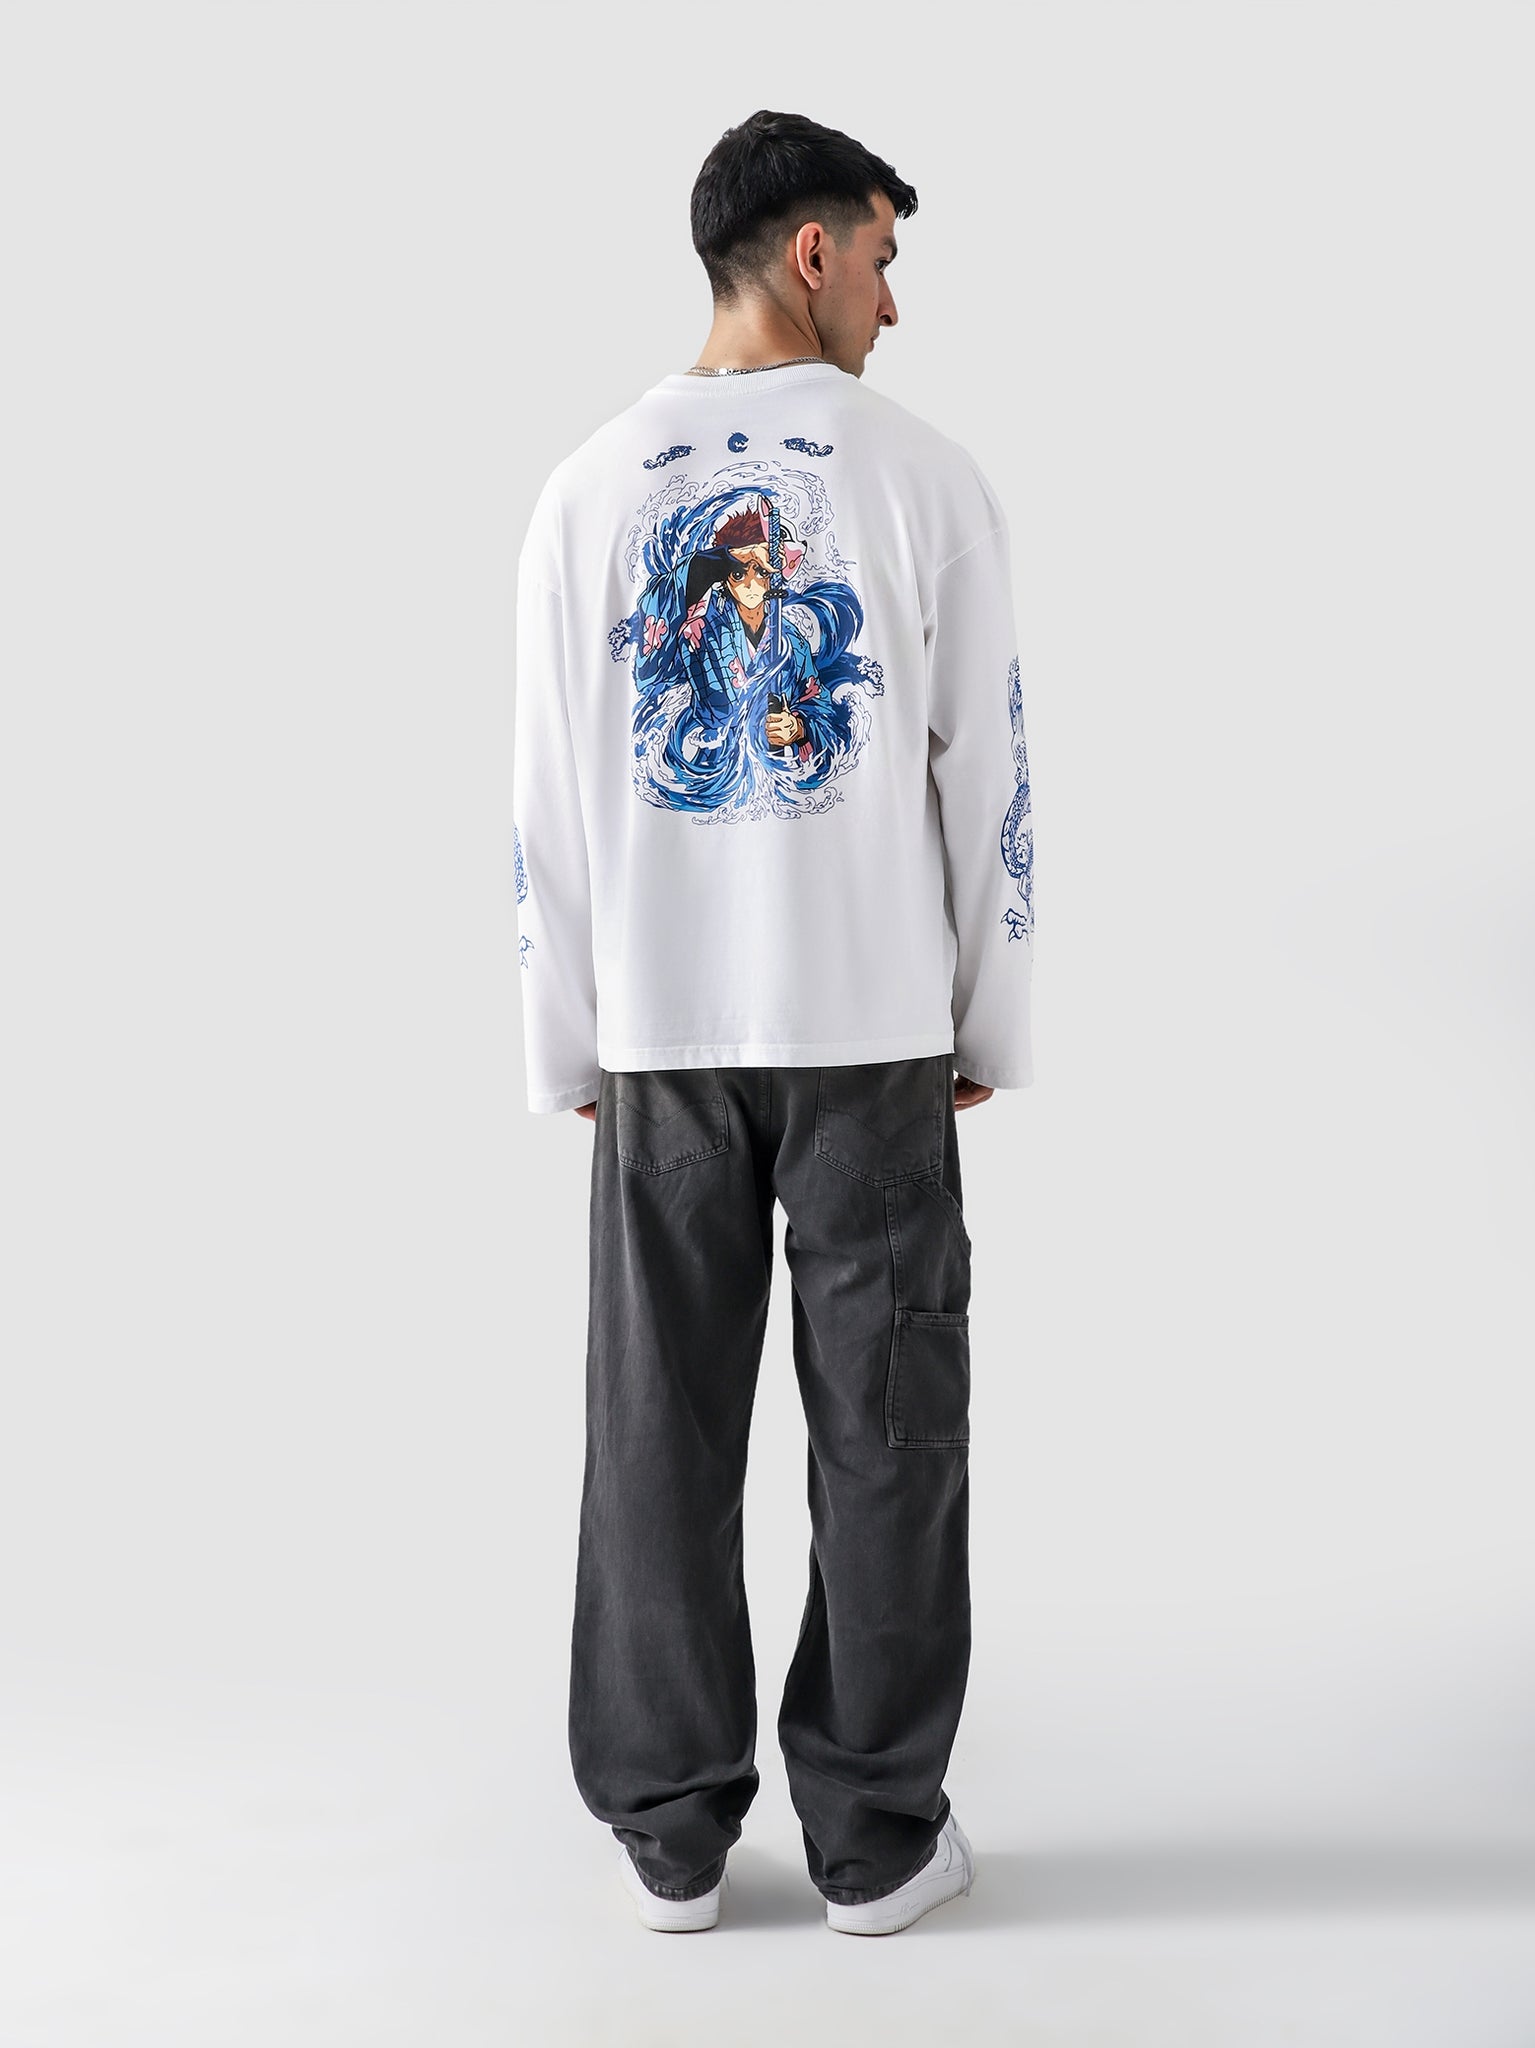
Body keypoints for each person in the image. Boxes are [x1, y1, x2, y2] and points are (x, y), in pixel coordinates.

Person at [512, 108, 1034, 1936]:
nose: (894, 302)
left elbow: (546, 801)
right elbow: (989, 776)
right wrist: (987, 1016)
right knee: (890, 1427)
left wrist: (570, 1039)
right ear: (813, 252)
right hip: (870, 1027)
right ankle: (874, 1837)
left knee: (655, 1426)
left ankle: (669, 1836)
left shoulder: (583, 488)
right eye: (883, 258)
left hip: (660, 1037)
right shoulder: (925, 478)